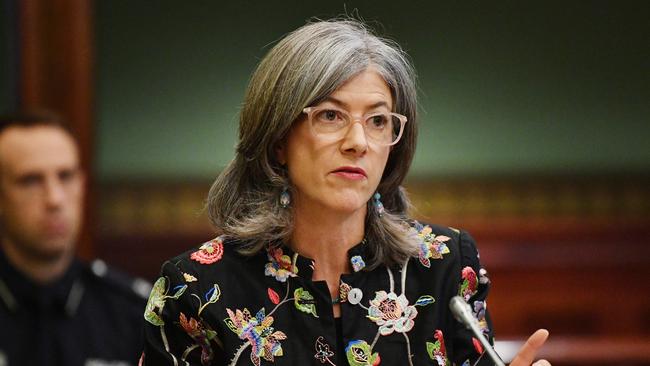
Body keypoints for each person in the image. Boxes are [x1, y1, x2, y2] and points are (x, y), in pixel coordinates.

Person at [141, 19, 550, 366]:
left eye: (377, 120)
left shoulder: (444, 266)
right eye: (331, 115)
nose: (358, 142)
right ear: (279, 139)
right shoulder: (194, 288)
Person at [0, 112, 149, 366]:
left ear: (81, 185)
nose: (54, 199)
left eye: (65, 176)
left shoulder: (132, 312)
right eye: (31, 180)